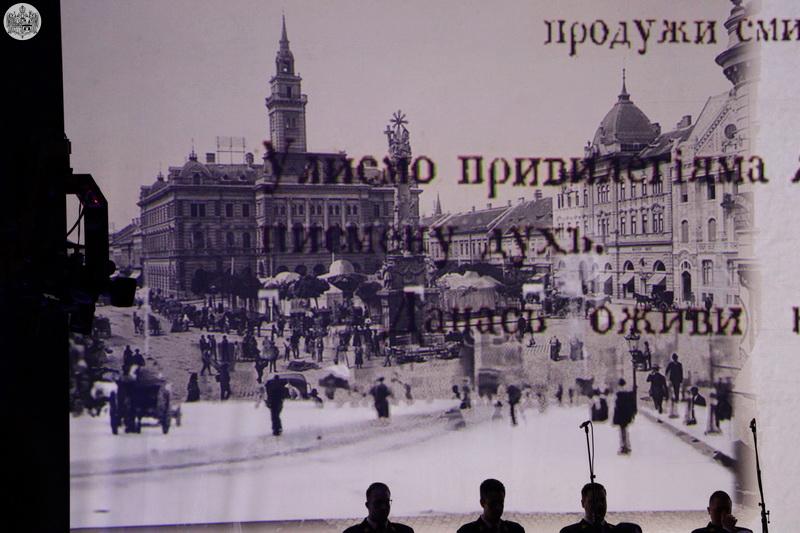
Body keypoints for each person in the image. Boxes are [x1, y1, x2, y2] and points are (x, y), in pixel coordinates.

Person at [456, 478, 525, 533]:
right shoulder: (465, 531)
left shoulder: (516, 530)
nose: (498, 508)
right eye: (493, 503)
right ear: (482, 503)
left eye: (500, 503)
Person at [560, 483, 633, 533]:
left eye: (602, 500)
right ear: (583, 503)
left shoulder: (616, 531)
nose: (599, 505)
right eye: (593, 501)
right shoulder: (569, 531)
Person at [342, 482, 414, 533]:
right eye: (378, 502)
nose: (383, 507)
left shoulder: (405, 531)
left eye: (387, 502)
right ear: (367, 505)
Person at [612, 379, 635, 454]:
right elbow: (631, 405)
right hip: (626, 415)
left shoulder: (618, 394)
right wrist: (631, 415)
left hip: (621, 416)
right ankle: (627, 446)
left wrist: (615, 418)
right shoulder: (627, 393)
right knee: (625, 430)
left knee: (622, 431)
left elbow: (617, 407)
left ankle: (624, 446)